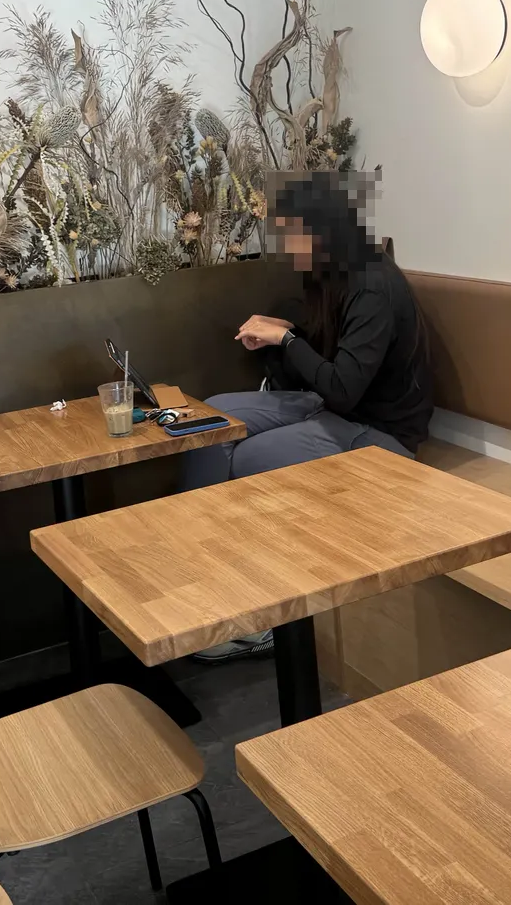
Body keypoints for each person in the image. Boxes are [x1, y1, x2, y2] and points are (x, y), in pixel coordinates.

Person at [181, 171, 434, 660]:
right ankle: (203, 580)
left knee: (249, 458)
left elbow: (342, 388)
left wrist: (288, 340)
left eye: (288, 233)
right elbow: (336, 358)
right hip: (336, 405)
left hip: (381, 432)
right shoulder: (328, 272)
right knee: (210, 420)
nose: (281, 244)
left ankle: (264, 618)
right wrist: (289, 329)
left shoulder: (372, 284)